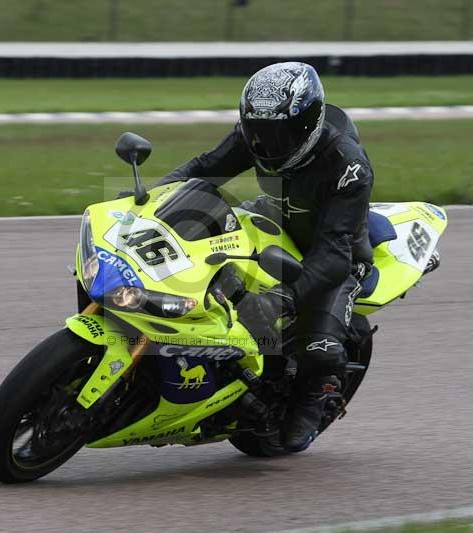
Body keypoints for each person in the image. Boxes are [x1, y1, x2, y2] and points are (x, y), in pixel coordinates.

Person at [154, 61, 374, 451]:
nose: (266, 145)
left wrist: (283, 297)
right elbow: (204, 170)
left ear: (308, 125)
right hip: (272, 221)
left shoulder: (348, 167)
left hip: (332, 253)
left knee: (318, 351)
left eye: (280, 135)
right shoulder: (255, 135)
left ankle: (315, 394)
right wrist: (153, 201)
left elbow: (334, 253)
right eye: (258, 132)